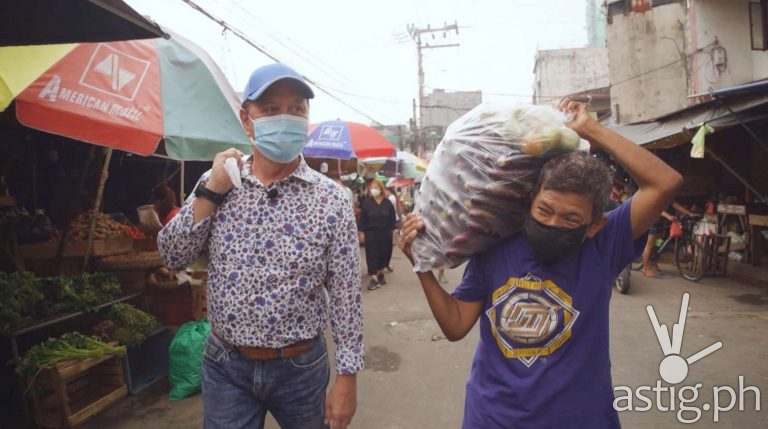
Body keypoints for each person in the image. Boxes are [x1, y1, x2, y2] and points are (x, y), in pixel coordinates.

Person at [398, 99, 682, 428]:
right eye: (544, 210)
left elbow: (666, 183)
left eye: (570, 218)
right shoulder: (496, 246)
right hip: (493, 419)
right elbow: (456, 324)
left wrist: (591, 129)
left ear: (594, 225)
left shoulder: (604, 246)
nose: (553, 223)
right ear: (529, 201)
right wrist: (421, 266)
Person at [158, 63, 362, 429]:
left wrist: (348, 377)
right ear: (247, 120)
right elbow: (173, 255)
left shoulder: (331, 199)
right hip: (227, 367)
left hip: (301, 368)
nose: (285, 118)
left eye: (296, 109)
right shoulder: (217, 181)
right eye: (270, 109)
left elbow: (346, 295)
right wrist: (212, 191)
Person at [641, 200, 695, 277]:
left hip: (662, 223)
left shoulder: (668, 197)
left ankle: (654, 264)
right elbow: (657, 209)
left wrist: (689, 213)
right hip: (653, 222)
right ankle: (645, 268)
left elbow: (676, 205)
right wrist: (668, 216)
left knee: (658, 245)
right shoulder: (659, 196)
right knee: (649, 245)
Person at [359, 179, 396, 290]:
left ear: (381, 188)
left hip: (385, 233)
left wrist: (393, 234)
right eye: (371, 188)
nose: (373, 190)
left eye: (375, 187)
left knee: (384, 254)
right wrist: (361, 233)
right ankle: (374, 278)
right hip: (371, 233)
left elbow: (392, 219)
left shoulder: (387, 203)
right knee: (372, 254)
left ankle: (380, 273)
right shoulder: (367, 203)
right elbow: (363, 219)